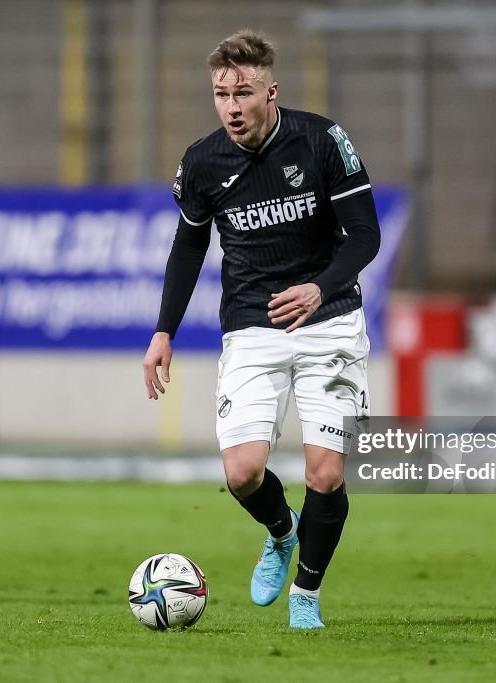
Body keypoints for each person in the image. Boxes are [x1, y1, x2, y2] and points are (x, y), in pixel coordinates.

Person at [141, 29, 380, 629]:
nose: (231, 106)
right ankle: (281, 532)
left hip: (329, 322)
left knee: (325, 471)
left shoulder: (323, 141)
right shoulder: (202, 162)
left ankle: (306, 595)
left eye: (242, 93)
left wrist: (320, 286)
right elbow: (189, 245)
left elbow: (366, 234)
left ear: (271, 92)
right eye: (221, 94)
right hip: (251, 327)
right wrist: (163, 332)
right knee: (242, 472)